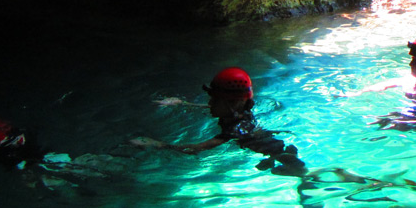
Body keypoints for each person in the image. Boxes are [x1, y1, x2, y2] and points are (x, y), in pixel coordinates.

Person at [131, 67, 306, 176]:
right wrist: (181, 103)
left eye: (214, 100)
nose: (209, 104)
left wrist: (158, 144)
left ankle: (298, 171)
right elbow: (214, 108)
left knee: (298, 173)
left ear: (233, 104)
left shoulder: (235, 129)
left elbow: (196, 148)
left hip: (275, 153)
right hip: (276, 147)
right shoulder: (240, 112)